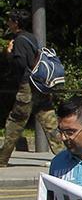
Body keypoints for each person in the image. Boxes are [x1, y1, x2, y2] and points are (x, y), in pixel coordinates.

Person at [1, 9, 62, 166]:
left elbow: (20, 64)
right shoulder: (31, 38)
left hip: (27, 86)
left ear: (15, 23)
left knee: (15, 121)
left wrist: (9, 54)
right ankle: (64, 155)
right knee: (49, 121)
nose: (8, 23)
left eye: (10, 20)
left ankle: (2, 159)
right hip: (40, 85)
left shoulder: (20, 40)